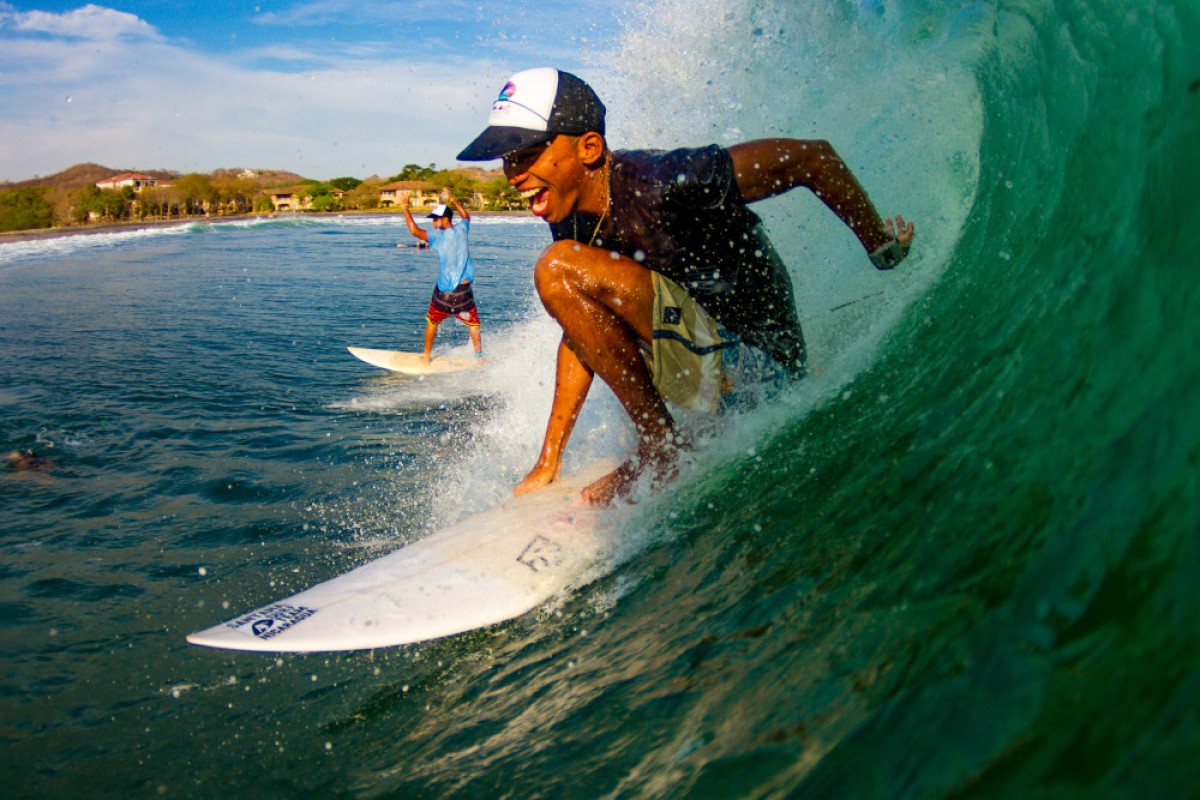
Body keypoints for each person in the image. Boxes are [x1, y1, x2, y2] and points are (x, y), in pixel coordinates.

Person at [457, 67, 915, 506]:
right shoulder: (572, 219)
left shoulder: (666, 180)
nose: (513, 173)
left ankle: (662, 448)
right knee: (565, 279)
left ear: (590, 148)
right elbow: (581, 332)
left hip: (761, 371)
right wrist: (549, 459)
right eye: (507, 158)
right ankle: (662, 441)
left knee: (557, 268)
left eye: (527, 154)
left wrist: (881, 248)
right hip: (709, 367)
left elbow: (812, 157)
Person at [402, 194, 483, 363]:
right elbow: (466, 216)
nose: (432, 223)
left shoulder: (437, 236)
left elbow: (413, 230)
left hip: (444, 292)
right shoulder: (462, 229)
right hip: (464, 292)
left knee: (432, 322)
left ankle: (426, 356)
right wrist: (454, 199)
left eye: (435, 219)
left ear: (445, 219)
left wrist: (404, 207)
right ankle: (479, 357)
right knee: (473, 324)